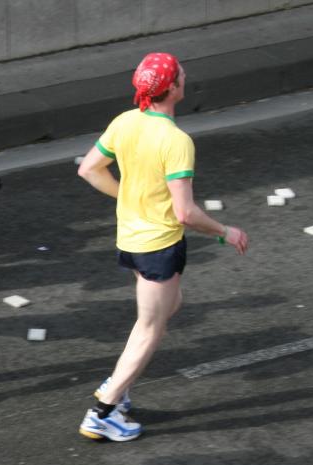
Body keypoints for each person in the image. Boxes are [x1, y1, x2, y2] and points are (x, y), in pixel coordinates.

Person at [73, 52, 249, 441]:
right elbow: (185, 213)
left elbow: (89, 169)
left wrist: (127, 198)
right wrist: (225, 231)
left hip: (130, 240)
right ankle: (103, 410)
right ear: (171, 89)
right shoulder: (175, 140)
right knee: (152, 328)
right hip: (159, 245)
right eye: (181, 73)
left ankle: (118, 382)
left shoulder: (125, 121)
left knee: (168, 308)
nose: (186, 74)